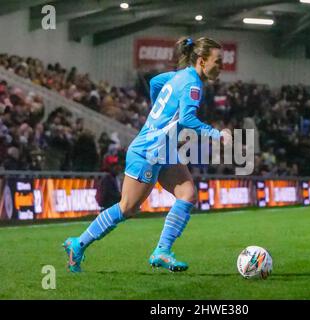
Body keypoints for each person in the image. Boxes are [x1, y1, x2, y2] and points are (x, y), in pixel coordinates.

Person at [63, 37, 231, 273]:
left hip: (163, 148)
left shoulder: (179, 76)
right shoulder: (193, 85)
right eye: (218, 61)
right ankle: (77, 244)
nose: (221, 66)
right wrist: (216, 134)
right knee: (127, 208)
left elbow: (154, 83)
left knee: (188, 193)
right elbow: (187, 119)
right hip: (149, 150)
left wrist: (157, 114)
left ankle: (162, 251)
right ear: (202, 61)